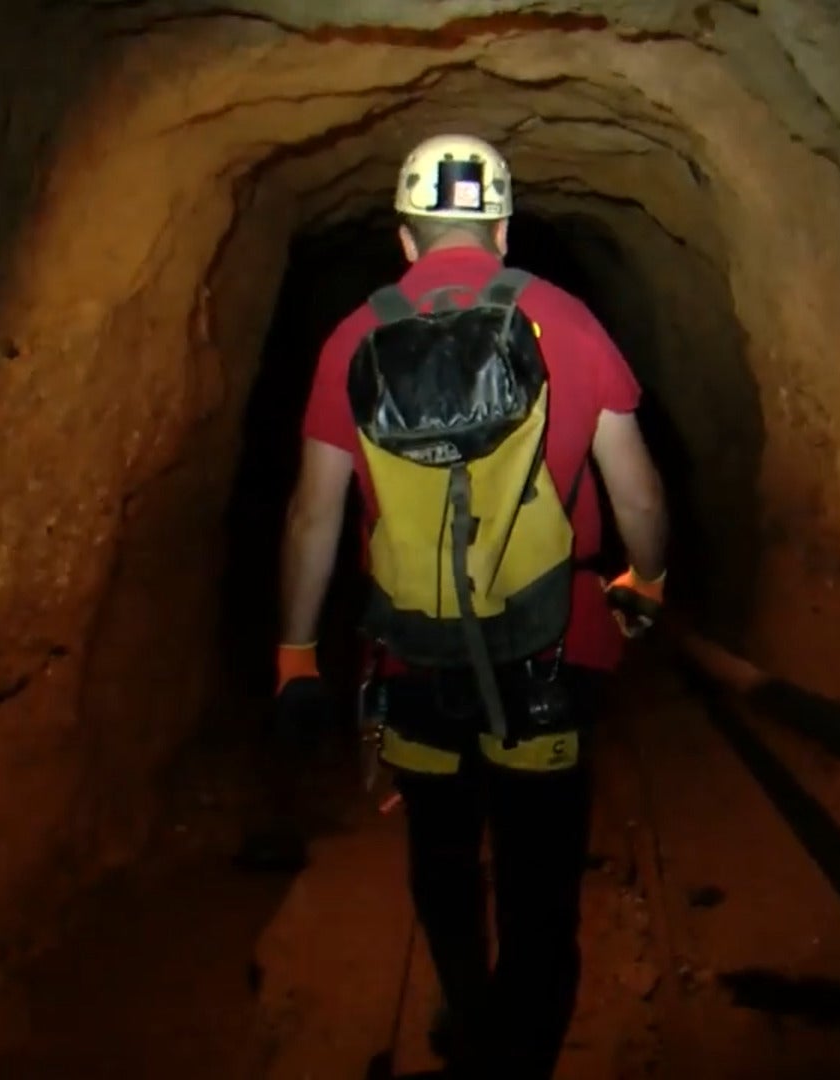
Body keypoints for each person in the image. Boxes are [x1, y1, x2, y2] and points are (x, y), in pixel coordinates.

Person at [272, 133, 671, 1078]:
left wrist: (295, 651)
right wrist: (644, 584)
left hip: (415, 659)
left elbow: (311, 516)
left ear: (406, 240)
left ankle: (463, 1006)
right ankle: (522, 1050)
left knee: (443, 852)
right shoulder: (566, 323)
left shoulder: (351, 339)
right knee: (540, 879)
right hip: (552, 654)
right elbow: (639, 497)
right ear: (502, 225)